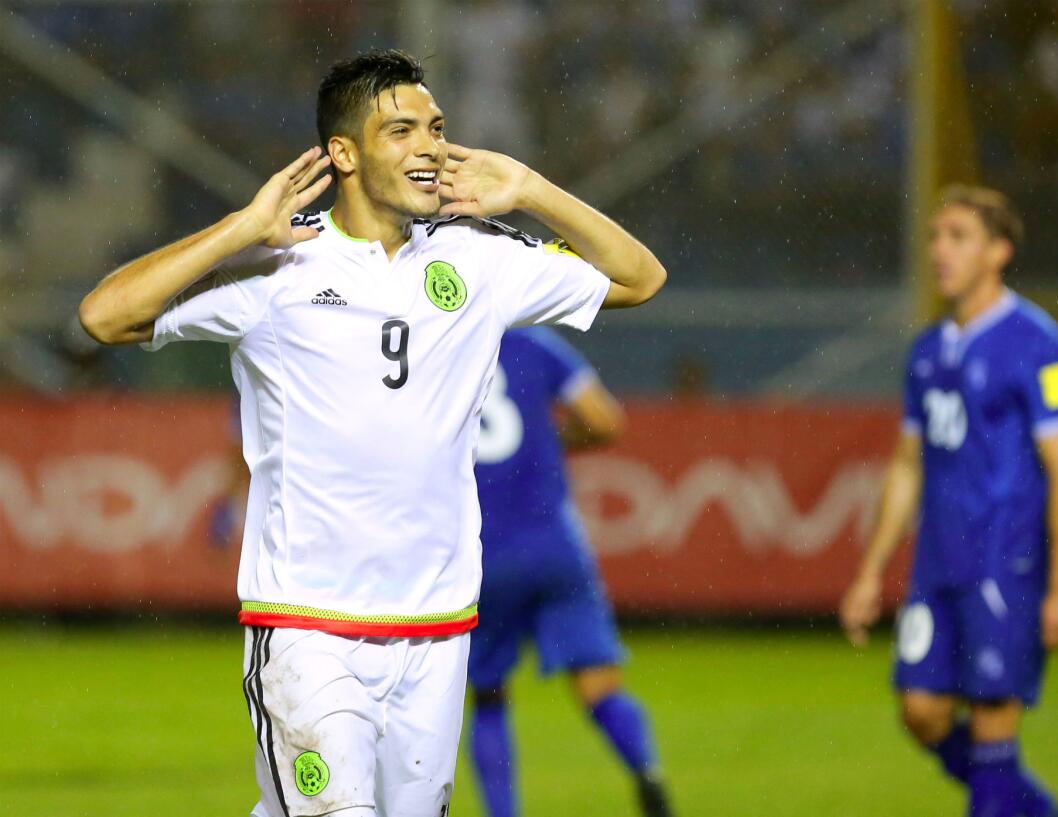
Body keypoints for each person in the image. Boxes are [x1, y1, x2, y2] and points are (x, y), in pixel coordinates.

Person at [78, 49, 665, 817]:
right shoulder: (277, 270)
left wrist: (534, 191)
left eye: (437, 127)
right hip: (307, 629)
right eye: (401, 130)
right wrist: (240, 227)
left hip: (436, 630)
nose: (429, 145)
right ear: (344, 154)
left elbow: (639, 278)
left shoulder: (480, 259)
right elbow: (105, 315)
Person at [839, 185, 1058, 817]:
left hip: (1004, 561)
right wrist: (871, 572)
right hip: (938, 564)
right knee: (921, 713)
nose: (939, 251)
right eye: (934, 236)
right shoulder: (928, 350)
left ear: (999, 252)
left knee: (990, 725)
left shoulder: (1037, 344)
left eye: (958, 237)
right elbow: (905, 466)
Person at [469, 327, 674, 817]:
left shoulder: (442, 339)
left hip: (481, 553)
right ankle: (646, 771)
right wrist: (549, 438)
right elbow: (605, 420)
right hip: (554, 546)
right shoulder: (535, 344)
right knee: (601, 687)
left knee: (489, 696)